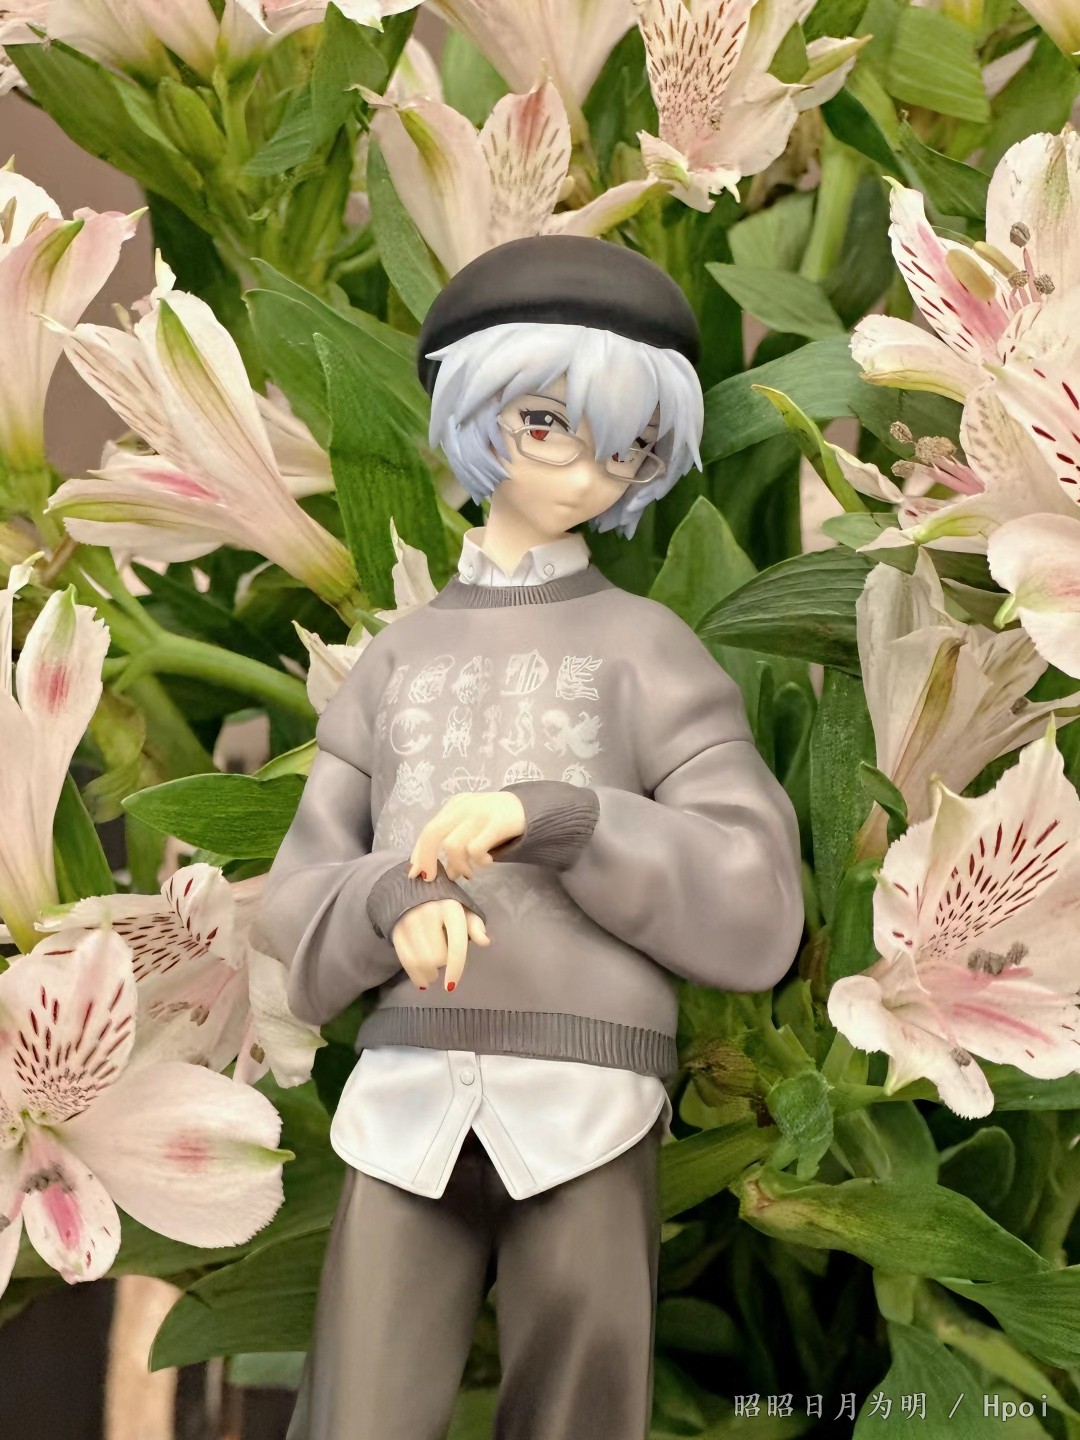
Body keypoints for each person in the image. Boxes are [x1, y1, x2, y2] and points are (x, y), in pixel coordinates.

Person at [257, 233, 805, 1440]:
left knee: (581, 1410)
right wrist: (390, 903)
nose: (589, 471)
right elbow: (294, 895)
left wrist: (563, 816)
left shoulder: (648, 649)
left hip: (589, 1100)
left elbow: (758, 893)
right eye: (550, 423)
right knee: (354, 1412)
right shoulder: (396, 661)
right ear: (478, 410)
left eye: (631, 447)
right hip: (404, 1101)